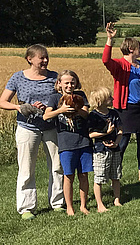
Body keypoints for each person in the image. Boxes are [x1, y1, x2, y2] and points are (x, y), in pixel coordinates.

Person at [0, 44, 64, 219]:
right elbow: (3, 101)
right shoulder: (18, 78)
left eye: (46, 57)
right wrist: (19, 107)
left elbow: (62, 99)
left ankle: (57, 202)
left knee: (57, 166)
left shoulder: (54, 77)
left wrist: (48, 107)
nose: (45, 61)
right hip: (27, 128)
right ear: (30, 59)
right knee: (27, 168)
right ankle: (27, 208)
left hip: (51, 127)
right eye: (41, 58)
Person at [102, 23, 140, 184]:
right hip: (127, 110)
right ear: (131, 48)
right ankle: (115, 174)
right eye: (139, 47)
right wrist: (109, 39)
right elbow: (106, 60)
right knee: (122, 142)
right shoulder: (120, 65)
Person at [43, 70, 91, 216]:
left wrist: (77, 109)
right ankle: (69, 207)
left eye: (72, 82)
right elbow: (46, 116)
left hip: (83, 141)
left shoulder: (80, 95)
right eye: (66, 83)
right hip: (66, 142)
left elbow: (86, 114)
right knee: (68, 175)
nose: (70, 85)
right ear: (59, 84)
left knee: (83, 175)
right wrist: (61, 110)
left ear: (76, 83)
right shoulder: (54, 98)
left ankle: (83, 205)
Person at [87, 87, 123, 211]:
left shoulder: (113, 113)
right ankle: (100, 204)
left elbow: (120, 131)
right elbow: (91, 134)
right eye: (109, 97)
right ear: (101, 100)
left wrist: (116, 143)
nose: (112, 99)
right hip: (100, 150)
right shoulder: (93, 116)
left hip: (114, 149)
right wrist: (105, 133)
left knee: (116, 175)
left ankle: (117, 199)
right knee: (99, 176)